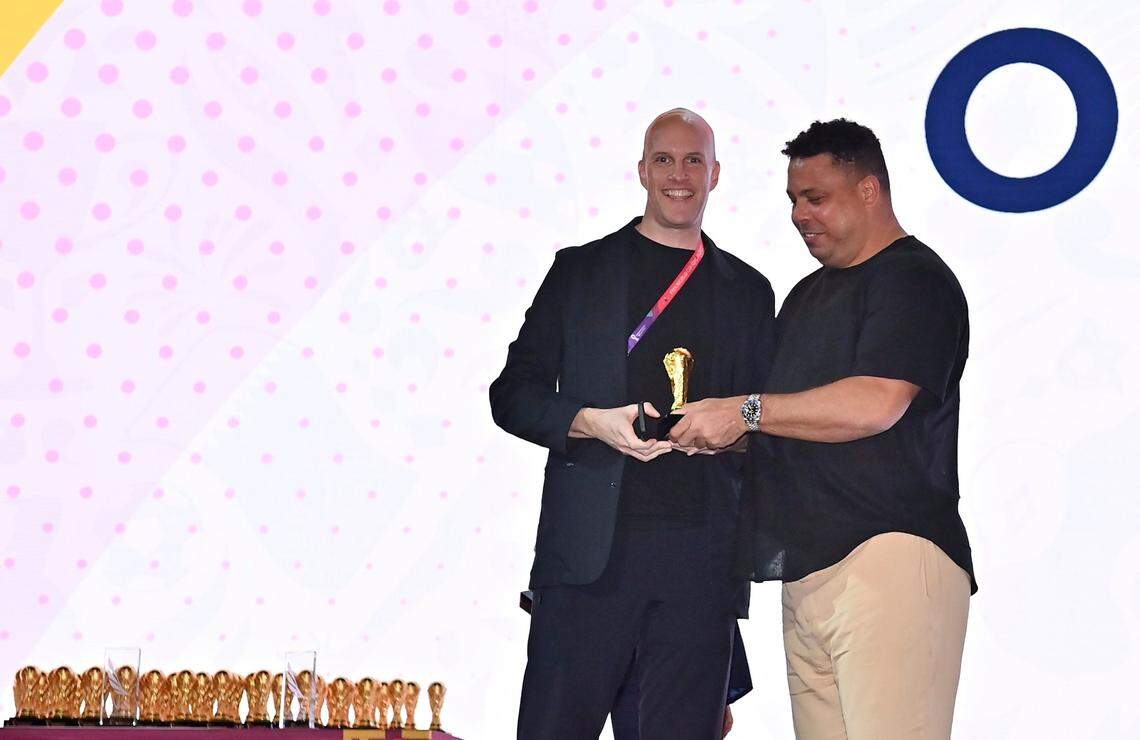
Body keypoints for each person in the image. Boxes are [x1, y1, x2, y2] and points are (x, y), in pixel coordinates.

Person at [673, 119, 975, 740]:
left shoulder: (914, 279)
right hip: (805, 573)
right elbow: (788, 418)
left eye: (816, 198)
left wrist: (747, 412)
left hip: (888, 554)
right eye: (792, 199)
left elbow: (877, 403)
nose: (799, 215)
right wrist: (709, 426)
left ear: (870, 191)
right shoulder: (806, 296)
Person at [490, 108, 775, 739]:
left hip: (699, 566)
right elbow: (511, 395)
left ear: (716, 174)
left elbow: (766, 420)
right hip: (591, 562)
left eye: (694, 160)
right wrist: (589, 421)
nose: (680, 175)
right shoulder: (580, 272)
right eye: (665, 160)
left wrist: (734, 426)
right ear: (642, 170)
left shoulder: (749, 291)